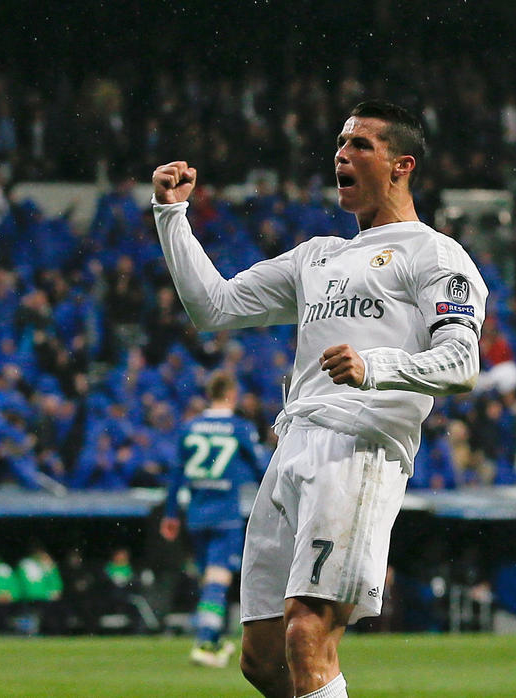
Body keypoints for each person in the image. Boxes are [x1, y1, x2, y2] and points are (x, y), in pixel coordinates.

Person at [152, 99, 487, 698]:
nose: (342, 153)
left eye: (361, 145)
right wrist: (171, 217)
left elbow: (462, 362)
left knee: (308, 633)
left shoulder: (433, 254)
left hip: (359, 447)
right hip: (291, 448)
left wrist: (375, 365)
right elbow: (215, 308)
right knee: (261, 657)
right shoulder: (318, 256)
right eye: (340, 142)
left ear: (402, 164)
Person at [160, 371, 268, 667]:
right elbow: (262, 467)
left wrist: (171, 515)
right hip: (225, 516)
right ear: (231, 395)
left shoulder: (190, 427)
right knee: (217, 580)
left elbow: (176, 476)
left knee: (208, 578)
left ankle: (215, 640)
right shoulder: (239, 428)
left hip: (195, 515)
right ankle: (205, 643)